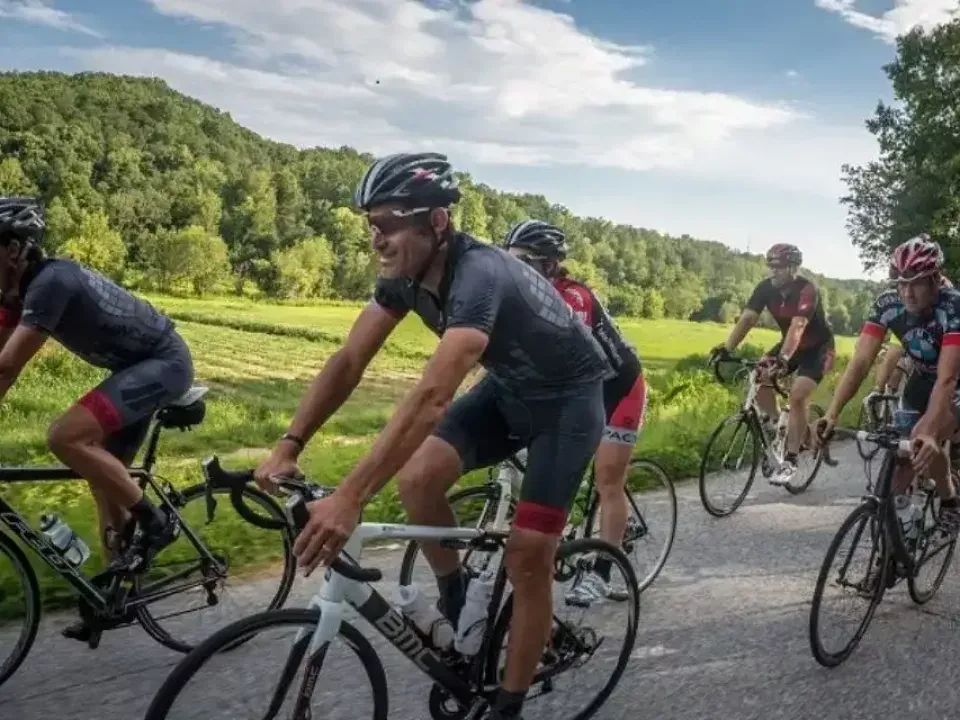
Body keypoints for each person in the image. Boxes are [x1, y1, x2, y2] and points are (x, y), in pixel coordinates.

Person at [253, 152, 611, 720]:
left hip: (567, 406)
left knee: (528, 555)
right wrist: (289, 444)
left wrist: (350, 497)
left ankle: (509, 706)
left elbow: (433, 396)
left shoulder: (479, 275)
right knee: (418, 479)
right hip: (509, 392)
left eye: (388, 224)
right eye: (370, 225)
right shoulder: (403, 279)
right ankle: (459, 597)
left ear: (436, 222)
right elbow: (349, 360)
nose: (376, 239)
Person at [0, 197, 193, 638]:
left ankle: (155, 522)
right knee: (105, 479)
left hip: (164, 363)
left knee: (65, 437)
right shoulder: (15, 296)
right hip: (132, 369)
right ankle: (115, 598)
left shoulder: (50, 283)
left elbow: (8, 366)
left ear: (14, 250)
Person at [502, 219, 646, 604]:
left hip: (619, 388)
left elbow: (559, 355)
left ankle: (600, 572)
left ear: (549, 265)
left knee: (607, 479)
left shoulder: (573, 296)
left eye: (524, 262)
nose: (514, 269)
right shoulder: (520, 295)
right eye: (509, 260)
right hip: (580, 390)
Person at [814, 234, 960, 534]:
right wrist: (832, 413)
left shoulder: (953, 307)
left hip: (954, 380)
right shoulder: (887, 303)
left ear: (935, 279)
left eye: (917, 283)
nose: (907, 293)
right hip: (921, 377)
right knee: (900, 453)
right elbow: (860, 362)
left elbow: (947, 377)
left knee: (923, 440)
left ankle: (949, 500)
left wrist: (932, 430)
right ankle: (894, 537)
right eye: (901, 283)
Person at [710, 243, 835, 486]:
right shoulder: (765, 288)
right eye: (771, 266)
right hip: (790, 345)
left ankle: (790, 460)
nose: (772, 271)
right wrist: (727, 348)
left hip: (818, 349)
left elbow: (798, 326)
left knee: (798, 395)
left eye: (778, 267)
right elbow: (748, 318)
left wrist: (784, 359)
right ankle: (777, 422)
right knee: (759, 375)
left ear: (792, 268)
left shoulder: (807, 289)